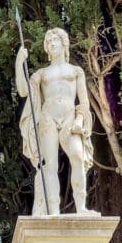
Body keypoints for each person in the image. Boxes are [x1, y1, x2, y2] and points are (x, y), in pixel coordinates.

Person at [15, 27, 97, 215]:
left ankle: (82, 208)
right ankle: (53, 211)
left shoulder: (76, 71)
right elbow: (23, 90)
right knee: (49, 165)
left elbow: (83, 101)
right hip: (48, 117)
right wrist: (19, 63)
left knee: (77, 156)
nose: (52, 44)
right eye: (49, 42)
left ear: (63, 43)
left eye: (55, 40)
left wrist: (79, 119)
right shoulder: (42, 74)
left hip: (69, 116)